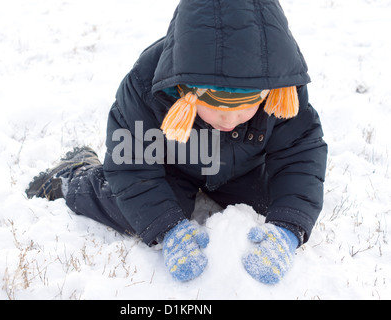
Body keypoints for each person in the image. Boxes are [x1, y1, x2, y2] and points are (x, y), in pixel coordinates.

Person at [26, 0, 327, 285]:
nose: (229, 120)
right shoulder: (147, 85)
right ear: (188, 90)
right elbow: (132, 165)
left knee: (272, 204)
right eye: (219, 108)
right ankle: (74, 174)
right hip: (171, 164)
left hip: (241, 167)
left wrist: (289, 228)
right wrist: (166, 228)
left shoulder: (281, 86)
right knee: (137, 211)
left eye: (243, 108)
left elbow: (300, 154)